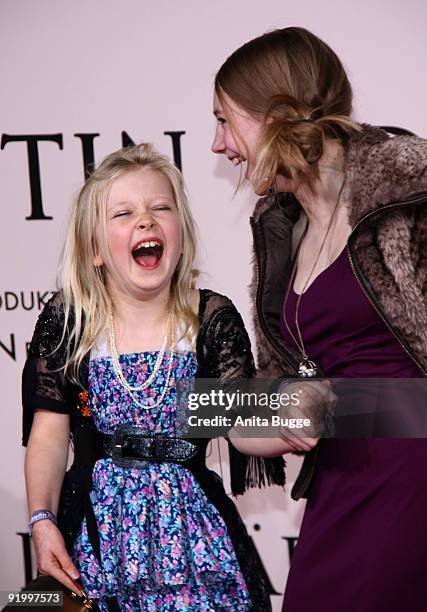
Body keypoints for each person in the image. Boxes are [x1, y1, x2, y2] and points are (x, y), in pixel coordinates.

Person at [211, 26, 427, 612]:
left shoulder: (411, 192)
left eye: (225, 120)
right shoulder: (279, 228)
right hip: (337, 487)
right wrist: (238, 407)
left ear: (276, 111)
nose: (217, 144)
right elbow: (276, 392)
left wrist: (340, 405)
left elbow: (348, 400)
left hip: (413, 482)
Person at [22, 143, 285, 611]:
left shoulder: (207, 319)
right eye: (123, 213)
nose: (146, 221)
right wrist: (42, 521)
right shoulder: (70, 322)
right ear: (96, 250)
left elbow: (243, 425)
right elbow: (49, 434)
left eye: (160, 208)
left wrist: (307, 415)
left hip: (195, 545)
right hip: (93, 542)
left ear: (180, 235)